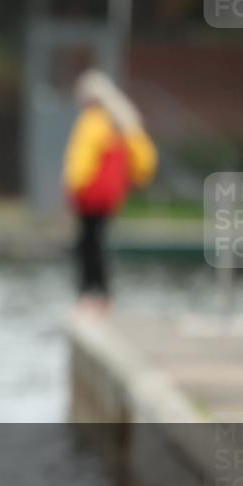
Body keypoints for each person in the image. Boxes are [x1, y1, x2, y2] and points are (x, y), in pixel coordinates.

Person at [63, 69, 157, 311]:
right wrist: (136, 178)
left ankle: (89, 293)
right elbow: (144, 158)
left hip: (90, 197)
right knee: (96, 243)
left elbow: (80, 160)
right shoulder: (121, 122)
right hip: (109, 198)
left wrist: (71, 186)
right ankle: (101, 294)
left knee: (87, 245)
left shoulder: (92, 121)